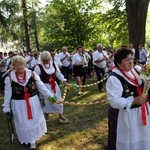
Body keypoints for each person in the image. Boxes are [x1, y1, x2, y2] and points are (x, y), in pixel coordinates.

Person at [2, 55, 54, 149]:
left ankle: (33, 139)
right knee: (23, 122)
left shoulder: (32, 74)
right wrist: (6, 107)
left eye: (21, 64)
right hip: (18, 104)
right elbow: (8, 94)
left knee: (34, 119)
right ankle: (28, 139)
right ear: (13, 66)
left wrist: (50, 97)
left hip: (33, 101)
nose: (19, 67)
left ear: (24, 64)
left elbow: (41, 87)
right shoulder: (9, 78)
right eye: (16, 65)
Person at [106, 47, 150, 150]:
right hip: (127, 115)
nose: (130, 62)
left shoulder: (133, 70)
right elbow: (114, 101)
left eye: (131, 58)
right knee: (130, 140)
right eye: (126, 60)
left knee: (142, 136)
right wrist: (133, 100)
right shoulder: (114, 78)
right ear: (118, 63)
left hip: (140, 111)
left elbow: (140, 85)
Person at [34, 51, 68, 123]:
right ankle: (47, 114)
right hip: (44, 87)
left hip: (54, 86)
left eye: (47, 60)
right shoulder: (38, 67)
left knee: (58, 99)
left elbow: (58, 73)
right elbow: (36, 79)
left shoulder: (54, 64)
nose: (46, 61)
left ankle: (60, 115)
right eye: (44, 60)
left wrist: (63, 80)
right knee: (47, 101)